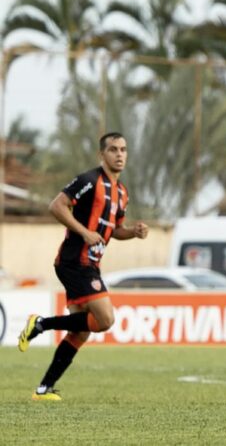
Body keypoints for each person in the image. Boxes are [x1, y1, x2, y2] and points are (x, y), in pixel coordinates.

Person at [18, 132, 149, 400]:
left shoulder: (122, 193)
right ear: (102, 154)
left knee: (80, 332)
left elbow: (115, 230)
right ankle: (41, 324)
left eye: (123, 149)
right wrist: (85, 232)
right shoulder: (89, 180)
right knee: (106, 319)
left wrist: (133, 231)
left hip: (90, 263)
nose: (120, 154)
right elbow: (57, 206)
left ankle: (43, 389)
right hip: (74, 260)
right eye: (113, 149)